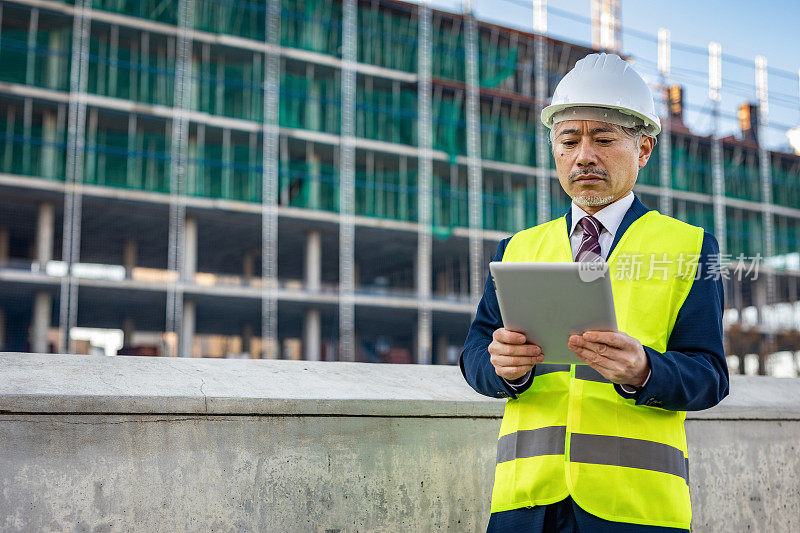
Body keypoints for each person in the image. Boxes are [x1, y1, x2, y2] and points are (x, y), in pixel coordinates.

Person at [460, 53, 729, 532]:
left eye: (603, 139)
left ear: (643, 149)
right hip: (526, 506)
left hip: (634, 512)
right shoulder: (518, 248)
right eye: (569, 140)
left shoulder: (689, 247)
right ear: (555, 151)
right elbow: (475, 354)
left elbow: (710, 375)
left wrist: (645, 370)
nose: (584, 155)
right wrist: (503, 367)